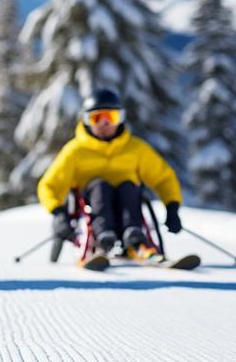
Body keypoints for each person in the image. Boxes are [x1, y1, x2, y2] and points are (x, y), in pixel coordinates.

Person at [37, 88, 183, 262]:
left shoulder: (135, 148)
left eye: (111, 117)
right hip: (93, 204)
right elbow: (50, 185)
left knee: (128, 186)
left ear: (120, 119)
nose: (105, 124)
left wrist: (172, 207)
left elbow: (163, 177)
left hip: (128, 202)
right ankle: (103, 238)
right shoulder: (75, 151)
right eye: (97, 118)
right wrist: (59, 213)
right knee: (100, 185)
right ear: (86, 120)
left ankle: (134, 238)